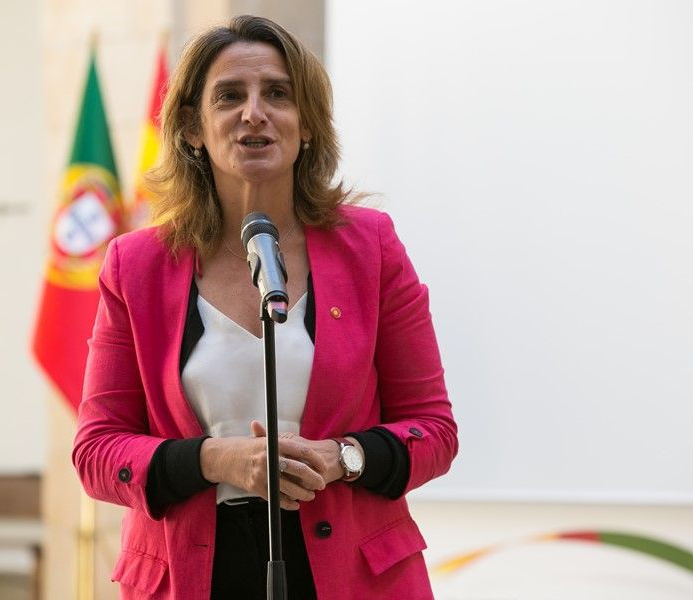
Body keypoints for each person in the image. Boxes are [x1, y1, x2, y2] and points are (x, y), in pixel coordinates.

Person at [72, 14, 458, 600]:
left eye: (277, 94)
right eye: (229, 96)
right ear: (193, 128)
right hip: (192, 574)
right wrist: (217, 460)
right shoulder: (136, 265)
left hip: (350, 575)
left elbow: (433, 430)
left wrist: (343, 457)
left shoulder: (371, 247)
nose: (254, 112)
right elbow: (97, 450)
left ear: (307, 124)